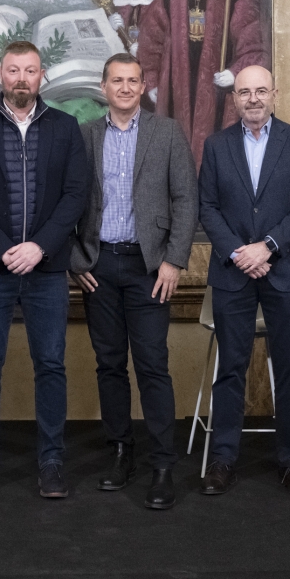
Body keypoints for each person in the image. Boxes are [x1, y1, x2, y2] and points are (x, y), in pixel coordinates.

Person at [0, 40, 90, 501]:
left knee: (50, 364)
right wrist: (4, 249)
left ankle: (51, 461)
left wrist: (39, 248)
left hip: (46, 269)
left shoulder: (67, 128)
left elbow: (75, 196)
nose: (21, 78)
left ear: (41, 75)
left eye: (30, 70)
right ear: (0, 73)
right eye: (13, 70)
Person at [70, 53, 197, 509]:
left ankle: (162, 464)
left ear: (143, 87)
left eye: (133, 81)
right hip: (99, 268)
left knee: (152, 365)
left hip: (149, 269)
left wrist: (174, 262)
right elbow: (66, 201)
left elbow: (186, 199)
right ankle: (120, 453)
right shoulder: (84, 136)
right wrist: (74, 258)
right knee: (108, 365)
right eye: (116, 81)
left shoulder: (166, 133)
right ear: (103, 87)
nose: (125, 88)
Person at [197, 65, 290, 499]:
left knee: (289, 370)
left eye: (261, 91)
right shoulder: (215, 145)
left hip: (286, 271)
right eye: (244, 92)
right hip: (233, 272)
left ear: (275, 94)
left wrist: (266, 247)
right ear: (234, 99)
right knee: (230, 369)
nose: (252, 98)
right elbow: (207, 207)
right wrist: (239, 252)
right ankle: (223, 459)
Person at [139, 0, 268, 171]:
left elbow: (252, 44)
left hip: (217, 92)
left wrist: (234, 73)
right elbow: (149, 41)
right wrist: (152, 81)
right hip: (174, 87)